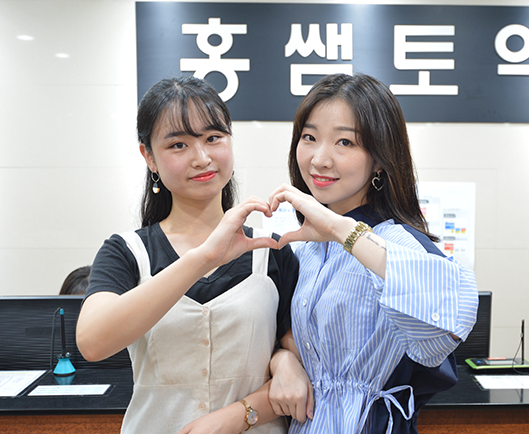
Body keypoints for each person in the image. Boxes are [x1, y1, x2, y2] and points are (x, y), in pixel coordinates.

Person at [76, 76, 305, 434]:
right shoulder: (126, 252)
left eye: (213, 138)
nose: (202, 158)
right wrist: (203, 258)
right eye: (178, 145)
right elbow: (93, 342)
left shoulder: (271, 249)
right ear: (149, 157)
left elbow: (305, 360)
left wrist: (282, 361)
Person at [267, 73, 479, 434]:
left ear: (380, 158)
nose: (319, 159)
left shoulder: (397, 242)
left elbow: (452, 315)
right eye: (309, 137)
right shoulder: (306, 250)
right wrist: (283, 360)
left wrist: (340, 229)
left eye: (345, 142)